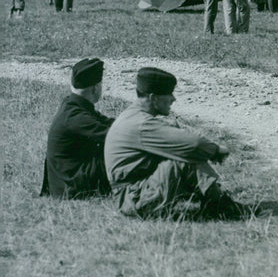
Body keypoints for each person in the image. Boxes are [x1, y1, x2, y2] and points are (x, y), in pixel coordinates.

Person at [104, 68, 251, 219]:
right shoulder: (141, 124)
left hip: (132, 194)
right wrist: (216, 150)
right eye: (169, 94)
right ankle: (220, 206)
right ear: (153, 98)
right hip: (133, 199)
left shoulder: (133, 116)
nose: (173, 99)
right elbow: (194, 144)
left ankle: (218, 203)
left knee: (182, 152)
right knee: (185, 157)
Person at [41, 58, 113, 199]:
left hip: (67, 181)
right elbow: (115, 135)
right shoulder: (76, 116)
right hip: (71, 189)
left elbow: (105, 122)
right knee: (122, 150)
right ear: (96, 88)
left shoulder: (72, 105)